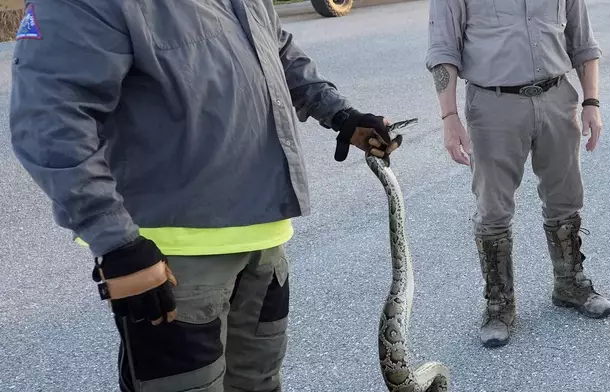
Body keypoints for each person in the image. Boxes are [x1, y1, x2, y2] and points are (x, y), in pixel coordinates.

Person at [9, 0, 403, 390]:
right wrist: (116, 242)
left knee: (259, 384)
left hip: (264, 243)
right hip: (171, 263)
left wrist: (341, 114)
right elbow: (50, 120)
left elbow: (278, 50)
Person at [425, 0, 610, 348]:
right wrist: (449, 117)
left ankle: (569, 282)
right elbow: (443, 50)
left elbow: (583, 41)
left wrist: (592, 102)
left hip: (557, 97)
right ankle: (499, 303)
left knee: (566, 196)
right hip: (494, 103)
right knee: (493, 207)